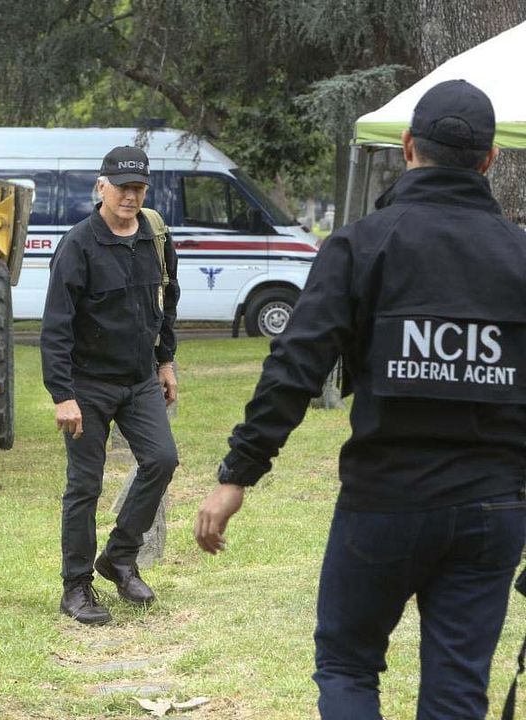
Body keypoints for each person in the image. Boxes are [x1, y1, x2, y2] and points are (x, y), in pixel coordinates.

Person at [195, 80, 526, 719]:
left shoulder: (361, 243)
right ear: (490, 160)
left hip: (386, 498)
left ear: (407, 148)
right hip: (493, 507)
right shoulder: (520, 256)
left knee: (348, 665)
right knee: (458, 688)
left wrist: (238, 474)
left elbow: (296, 365)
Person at [40, 146, 180, 625]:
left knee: (163, 460)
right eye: (122, 187)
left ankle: (119, 557)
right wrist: (62, 395)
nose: (130, 196)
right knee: (85, 485)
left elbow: (167, 301)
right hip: (88, 384)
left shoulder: (157, 237)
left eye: (139, 187)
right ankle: (76, 586)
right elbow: (56, 325)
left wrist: (166, 361)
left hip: (140, 379)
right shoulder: (78, 244)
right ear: (101, 186)